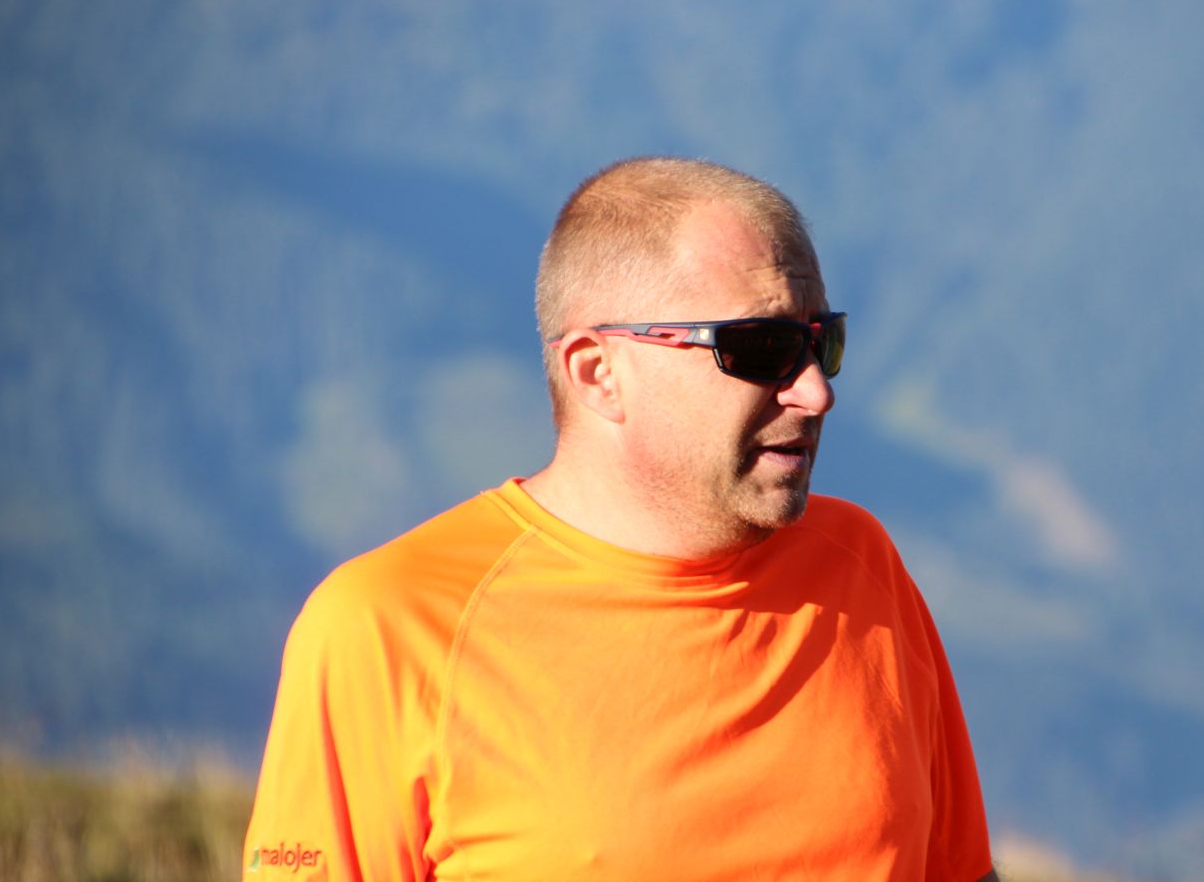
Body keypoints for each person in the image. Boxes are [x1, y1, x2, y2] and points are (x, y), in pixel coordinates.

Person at [243, 158, 997, 881]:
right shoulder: (388, 625)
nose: (816, 391)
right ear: (598, 373)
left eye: (821, 342)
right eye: (763, 347)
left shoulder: (861, 566)